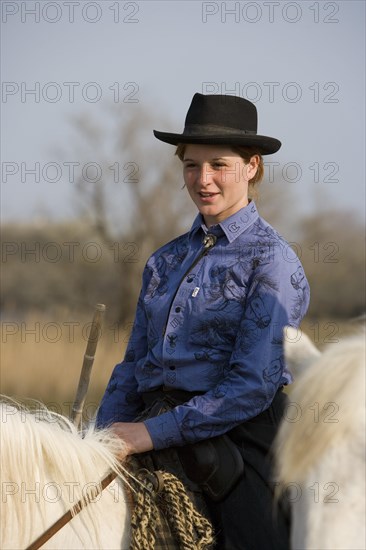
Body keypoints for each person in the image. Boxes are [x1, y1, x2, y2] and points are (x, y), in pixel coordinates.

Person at [96, 93, 310, 549]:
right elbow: (133, 364)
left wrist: (150, 434)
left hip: (239, 431)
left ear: (251, 167)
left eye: (219, 165)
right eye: (191, 165)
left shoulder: (272, 262)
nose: (203, 179)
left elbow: (253, 384)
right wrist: (101, 437)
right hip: (146, 419)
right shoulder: (163, 260)